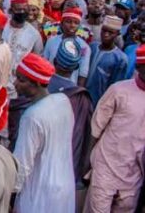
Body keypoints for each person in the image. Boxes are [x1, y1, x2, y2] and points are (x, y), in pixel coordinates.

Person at [84, 44, 145, 212]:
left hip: (133, 176)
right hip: (106, 167)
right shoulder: (118, 90)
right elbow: (96, 129)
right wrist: (87, 165)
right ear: (139, 67)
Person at [13, 53, 75, 213]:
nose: (15, 84)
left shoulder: (32, 116)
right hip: (64, 187)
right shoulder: (63, 101)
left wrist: (10, 195)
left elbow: (22, 165)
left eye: (21, 80)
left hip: (39, 194)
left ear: (37, 84)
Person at [47, 38, 93, 187]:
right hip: (64, 165)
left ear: (54, 61)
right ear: (76, 67)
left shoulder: (39, 86)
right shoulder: (80, 97)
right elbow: (81, 135)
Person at [3, 0, 43, 92]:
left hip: (17, 86)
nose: (21, 12)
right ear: (11, 10)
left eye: (24, 10)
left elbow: (36, 60)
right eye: (18, 9)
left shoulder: (34, 34)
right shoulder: (1, 26)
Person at [43, 7, 91, 86]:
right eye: (68, 22)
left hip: (70, 87)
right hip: (50, 84)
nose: (72, 25)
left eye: (76, 23)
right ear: (61, 23)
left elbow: (83, 74)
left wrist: (76, 93)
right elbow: (45, 63)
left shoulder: (84, 47)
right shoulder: (51, 40)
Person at [87, 15, 129, 104]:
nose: (106, 34)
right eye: (104, 30)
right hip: (82, 97)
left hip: (99, 103)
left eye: (111, 32)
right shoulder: (92, 47)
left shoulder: (120, 59)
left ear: (117, 34)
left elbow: (115, 88)